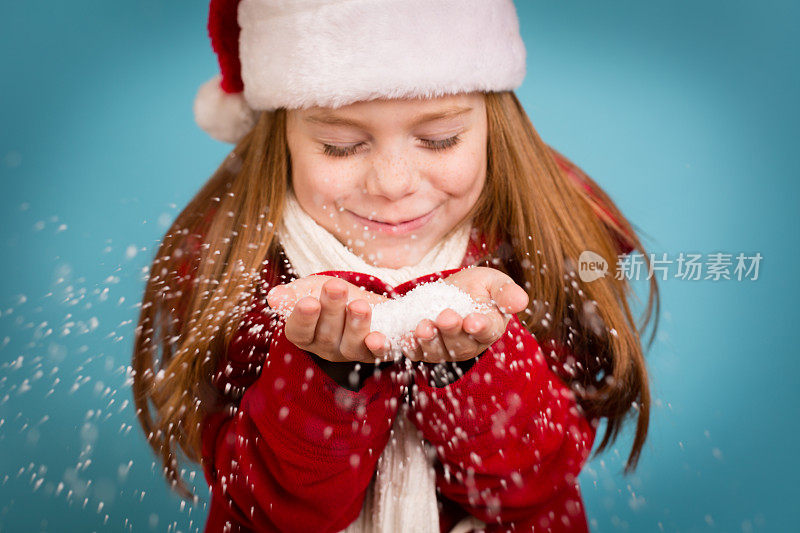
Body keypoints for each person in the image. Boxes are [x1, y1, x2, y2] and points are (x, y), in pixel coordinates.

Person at [132, 1, 659, 531]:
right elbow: (268, 509)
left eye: (439, 139)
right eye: (340, 147)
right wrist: (331, 378)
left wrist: (472, 368)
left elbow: (535, 483)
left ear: (493, 129)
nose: (392, 182)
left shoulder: (537, 253)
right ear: (281, 141)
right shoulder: (240, 270)